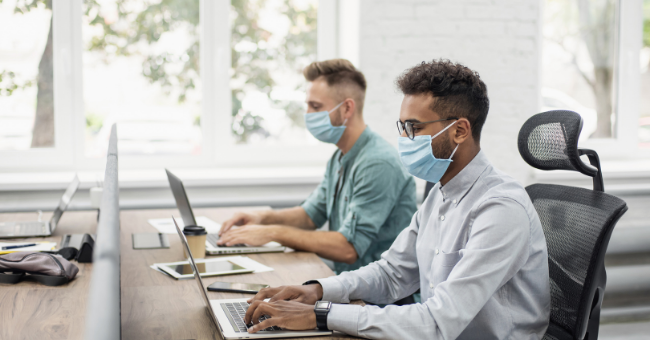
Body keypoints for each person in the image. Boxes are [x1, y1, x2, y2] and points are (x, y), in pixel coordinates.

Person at [241, 60, 551, 339]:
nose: (405, 139)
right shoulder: (440, 195)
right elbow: (393, 274)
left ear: (459, 131)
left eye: (414, 128)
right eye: (402, 127)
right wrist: (317, 291)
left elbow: (438, 322)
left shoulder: (500, 209)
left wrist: (322, 315)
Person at [218, 59, 417, 274]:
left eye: (316, 107)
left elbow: (348, 248)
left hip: (382, 299)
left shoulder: (377, 163)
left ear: (347, 108)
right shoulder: (341, 156)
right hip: (350, 282)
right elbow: (309, 216)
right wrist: (262, 218)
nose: (308, 115)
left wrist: (273, 233)